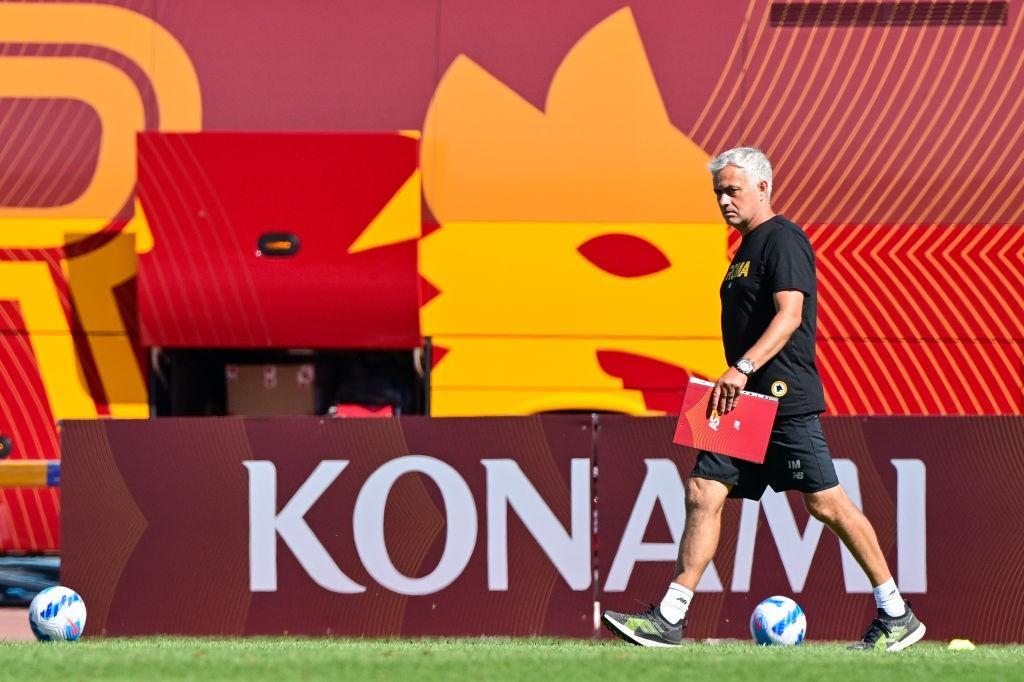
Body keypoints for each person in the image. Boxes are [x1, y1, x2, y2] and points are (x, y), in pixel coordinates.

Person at [601, 147, 925, 651]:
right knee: (702, 491)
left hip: (780, 395)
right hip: (742, 401)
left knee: (826, 503)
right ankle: (670, 617)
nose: (724, 201)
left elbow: (790, 315)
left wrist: (743, 367)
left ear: (763, 187)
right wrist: (738, 377)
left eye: (732, 190)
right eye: (718, 193)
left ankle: (896, 612)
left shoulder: (783, 238)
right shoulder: (744, 252)